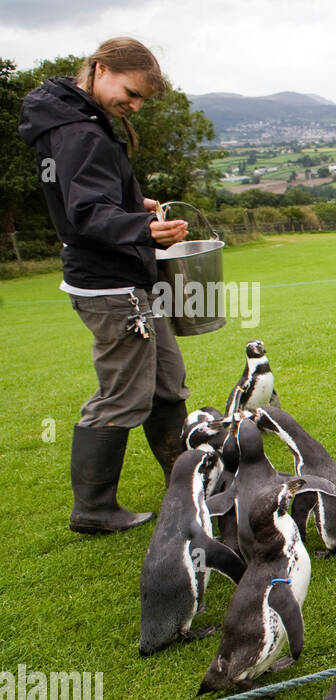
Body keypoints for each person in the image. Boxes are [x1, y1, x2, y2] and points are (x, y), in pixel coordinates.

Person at [19, 37, 191, 533]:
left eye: (139, 100)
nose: (133, 106)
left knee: (165, 384)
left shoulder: (82, 122)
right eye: (131, 93)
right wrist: (144, 230)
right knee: (122, 397)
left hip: (128, 279)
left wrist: (133, 207)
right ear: (100, 69)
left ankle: (187, 486)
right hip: (110, 286)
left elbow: (92, 198)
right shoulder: (80, 132)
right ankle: (93, 508)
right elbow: (85, 215)